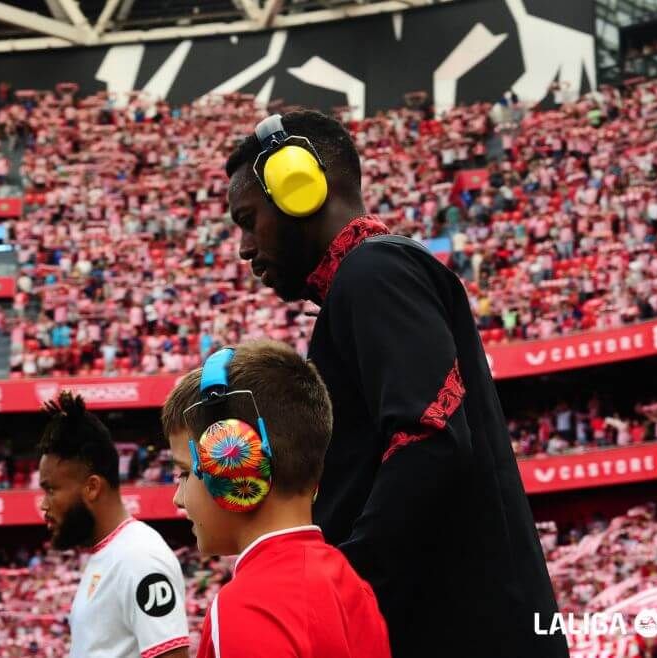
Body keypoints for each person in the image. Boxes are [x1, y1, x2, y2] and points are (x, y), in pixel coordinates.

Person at [223, 110, 568, 658]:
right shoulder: (374, 277)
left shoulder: (373, 274)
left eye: (248, 218)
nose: (243, 247)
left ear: (300, 187)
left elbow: (429, 439)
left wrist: (345, 584)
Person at [161, 341, 391, 658]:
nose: (178, 499)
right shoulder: (355, 588)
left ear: (235, 467)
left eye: (185, 473)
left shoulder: (244, 608)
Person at [37, 392, 189, 658]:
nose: (43, 505)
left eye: (50, 490)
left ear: (92, 487)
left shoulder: (139, 557)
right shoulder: (110, 554)